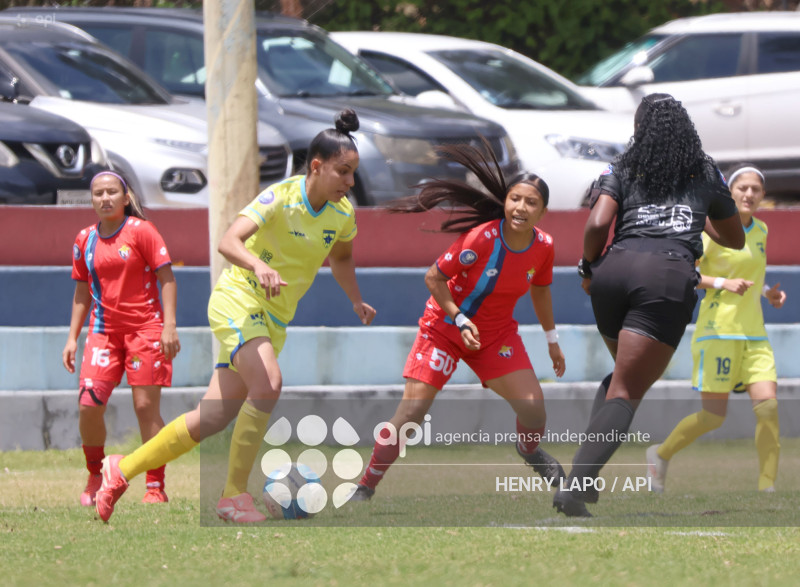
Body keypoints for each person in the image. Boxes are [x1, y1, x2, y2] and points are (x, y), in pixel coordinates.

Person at [93, 109, 377, 523]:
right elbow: (229, 241)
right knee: (269, 383)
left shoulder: (343, 214)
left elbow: (343, 257)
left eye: (353, 173)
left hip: (273, 320)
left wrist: (355, 298)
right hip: (237, 299)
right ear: (317, 166)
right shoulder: (279, 198)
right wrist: (257, 266)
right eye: (343, 172)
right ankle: (232, 496)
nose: (350, 182)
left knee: (212, 416)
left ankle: (122, 469)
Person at [553, 93, 746, 517]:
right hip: (665, 277)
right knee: (628, 389)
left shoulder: (621, 166)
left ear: (638, 129)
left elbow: (599, 222)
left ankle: (581, 482)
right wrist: (697, 216)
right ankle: (575, 485)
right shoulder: (705, 170)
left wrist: (587, 266)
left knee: (620, 377)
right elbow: (735, 238)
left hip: (612, 274)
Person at [349, 141, 567, 502]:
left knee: (533, 406)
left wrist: (552, 339)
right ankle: (365, 486)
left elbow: (541, 291)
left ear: (543, 212)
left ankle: (529, 452)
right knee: (414, 410)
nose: (520, 207)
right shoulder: (482, 238)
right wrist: (461, 318)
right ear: (505, 201)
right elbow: (433, 278)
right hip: (445, 330)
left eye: (531, 202)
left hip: (495, 337)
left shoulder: (544, 246)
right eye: (515, 199)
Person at [646, 163, 786, 494]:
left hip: (755, 335)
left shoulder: (762, 231)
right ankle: (660, 454)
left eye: (755, 189)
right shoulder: (709, 230)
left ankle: (767, 487)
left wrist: (769, 294)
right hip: (717, 332)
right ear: (729, 192)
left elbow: (754, 276)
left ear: (763, 196)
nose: (749, 194)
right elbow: (684, 274)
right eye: (743, 188)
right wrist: (723, 282)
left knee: (768, 406)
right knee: (713, 417)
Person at [63, 170, 180, 507]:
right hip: (103, 333)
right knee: (88, 404)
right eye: (98, 193)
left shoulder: (142, 231)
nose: (105, 198)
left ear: (125, 197)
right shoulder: (84, 239)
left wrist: (168, 326)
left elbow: (167, 279)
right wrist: (72, 337)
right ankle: (95, 474)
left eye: (112, 192)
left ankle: (155, 486)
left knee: (145, 407)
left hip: (145, 330)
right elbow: (82, 292)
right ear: (91, 199)